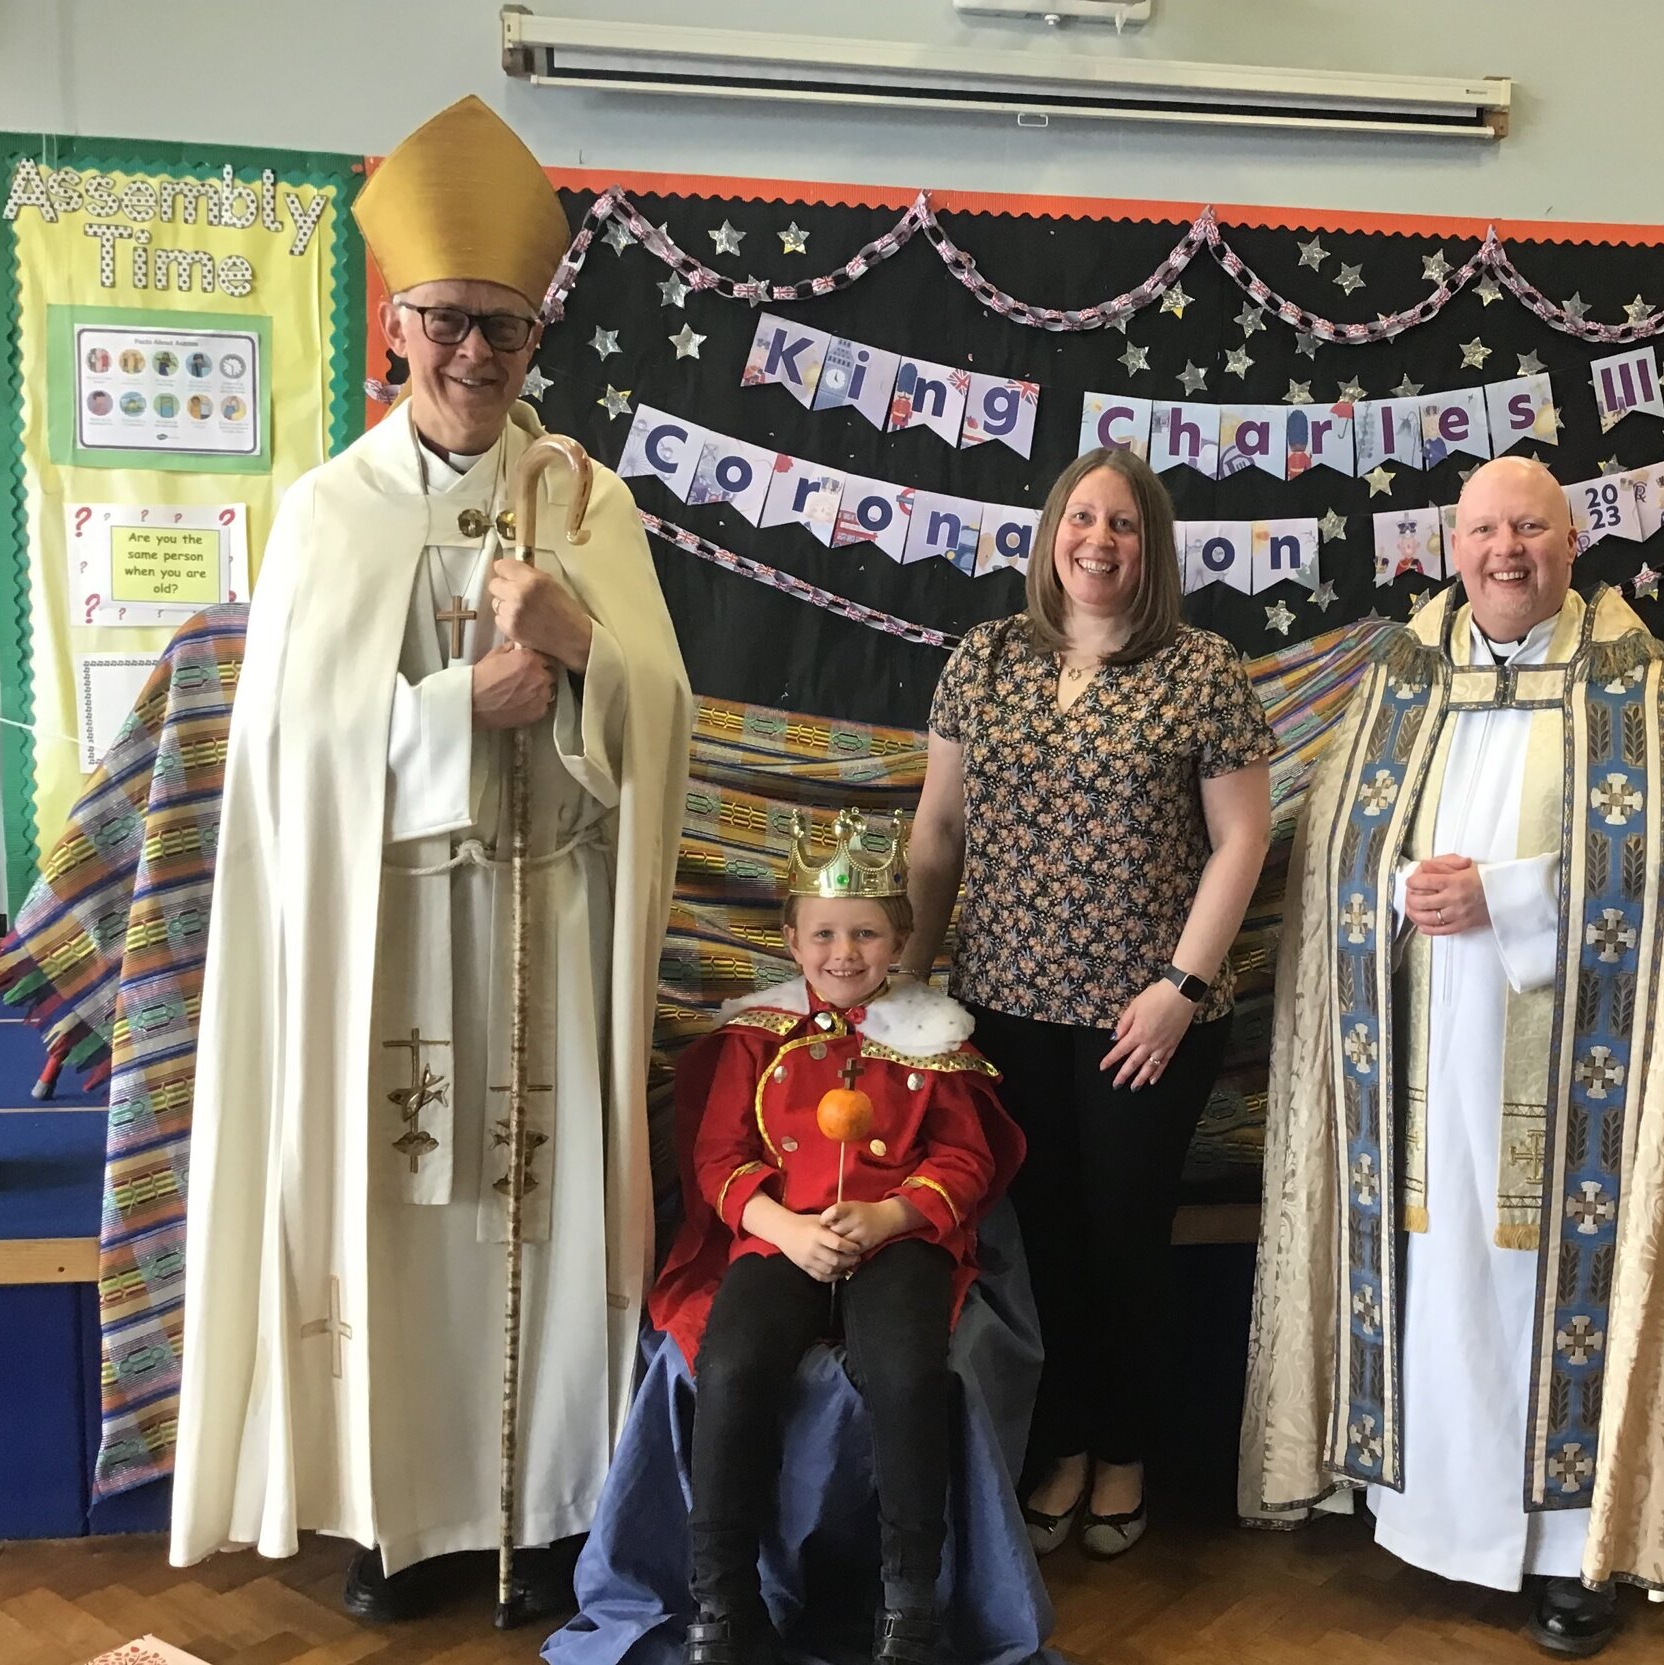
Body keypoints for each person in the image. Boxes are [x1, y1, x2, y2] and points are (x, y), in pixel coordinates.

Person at [169, 95, 694, 1622]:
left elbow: (664, 715)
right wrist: (456, 705)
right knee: (404, 1233)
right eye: (452, 323)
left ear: (539, 343)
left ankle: (545, 1525)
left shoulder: (590, 504)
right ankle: (405, 1527)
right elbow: (280, 765)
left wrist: (578, 639)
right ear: (397, 323)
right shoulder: (327, 516)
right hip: (389, 937)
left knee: (536, 1218)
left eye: (509, 333)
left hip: (550, 923)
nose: (477, 357)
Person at [1241, 456, 1664, 1654]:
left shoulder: (1632, 682)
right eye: (1482, 531)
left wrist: (1508, 896)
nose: (1503, 551)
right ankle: (1415, 1513)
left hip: (1576, 1068)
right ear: (1447, 547)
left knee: (1542, 1295)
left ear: (1570, 543)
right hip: (1412, 1056)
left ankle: (1570, 1554)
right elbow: (1329, 866)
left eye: (1528, 528)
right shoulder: (1403, 675)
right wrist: (1393, 883)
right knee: (1430, 1273)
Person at [903, 447, 1274, 1559]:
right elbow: (936, 831)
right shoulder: (985, 659)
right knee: (1039, 1240)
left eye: (1120, 524)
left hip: (1142, 1027)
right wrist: (910, 979)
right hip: (999, 1009)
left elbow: (1241, 838)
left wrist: (1178, 986)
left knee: (1122, 1243)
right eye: (1080, 518)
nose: (1097, 541)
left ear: (1148, 546)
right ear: (1051, 533)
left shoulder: (1201, 669)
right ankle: (1056, 1443)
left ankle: (1124, 1451)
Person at [647, 809, 1025, 1665]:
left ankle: (908, 1604)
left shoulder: (937, 1040)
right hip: (782, 1239)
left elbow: (965, 1159)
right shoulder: (756, 1035)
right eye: (823, 933)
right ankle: (723, 1601)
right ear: (790, 939)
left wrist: (894, 1215)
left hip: (898, 1243)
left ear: (899, 939)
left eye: (866, 932)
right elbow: (720, 1161)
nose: (843, 953)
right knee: (733, 1363)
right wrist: (783, 1227)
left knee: (904, 1371)